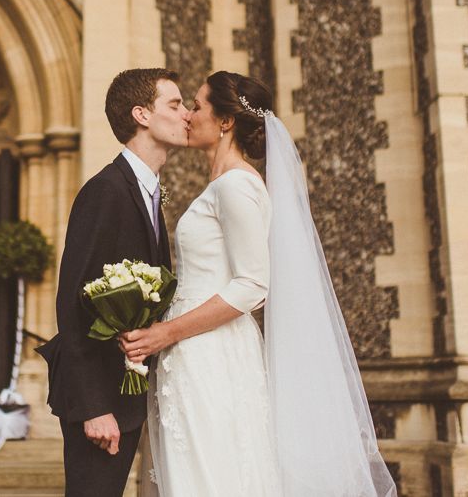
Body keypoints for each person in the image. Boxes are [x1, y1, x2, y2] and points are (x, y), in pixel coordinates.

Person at [121, 71, 397, 496]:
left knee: (211, 475)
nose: (190, 117)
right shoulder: (220, 185)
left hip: (212, 350)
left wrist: (164, 333)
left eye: (197, 106)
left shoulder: (237, 185)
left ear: (226, 121)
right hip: (192, 351)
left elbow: (252, 285)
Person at [37, 68, 188, 497]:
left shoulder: (148, 192)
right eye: (175, 105)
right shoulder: (105, 191)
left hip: (130, 393)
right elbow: (72, 302)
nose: (187, 115)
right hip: (101, 397)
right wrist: (94, 407)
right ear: (141, 114)